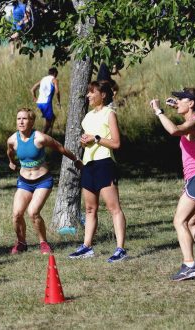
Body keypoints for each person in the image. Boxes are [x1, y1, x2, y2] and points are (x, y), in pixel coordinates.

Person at [148, 88, 195, 281]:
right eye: (177, 99)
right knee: (192, 221)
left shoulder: (194, 122)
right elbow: (183, 124)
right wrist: (177, 106)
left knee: (179, 221)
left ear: (192, 103)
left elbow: (173, 130)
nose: (177, 101)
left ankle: (189, 265)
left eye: (182, 99)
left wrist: (159, 111)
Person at [68, 80, 129, 263]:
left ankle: (120, 249)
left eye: (92, 92)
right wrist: (84, 141)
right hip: (89, 164)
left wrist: (95, 138)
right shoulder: (87, 117)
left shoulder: (109, 114)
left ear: (102, 94)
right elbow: (89, 141)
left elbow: (116, 143)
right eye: (88, 93)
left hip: (105, 163)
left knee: (113, 208)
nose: (88, 95)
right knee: (89, 208)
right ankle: (87, 247)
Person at [6, 108, 82, 254]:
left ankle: (43, 243)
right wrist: (11, 161)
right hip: (24, 181)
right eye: (18, 119)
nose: (21, 122)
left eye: (25, 119)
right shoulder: (12, 140)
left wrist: (75, 159)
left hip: (42, 181)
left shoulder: (40, 138)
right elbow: (9, 150)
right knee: (16, 214)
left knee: (33, 212)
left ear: (32, 121)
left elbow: (59, 147)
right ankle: (21, 243)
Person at [30, 67, 61, 133]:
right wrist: (58, 102)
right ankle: (42, 136)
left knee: (53, 117)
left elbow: (32, 89)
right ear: (55, 73)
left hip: (40, 102)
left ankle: (50, 134)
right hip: (46, 103)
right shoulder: (54, 80)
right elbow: (57, 91)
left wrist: (35, 98)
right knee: (48, 122)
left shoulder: (43, 79)